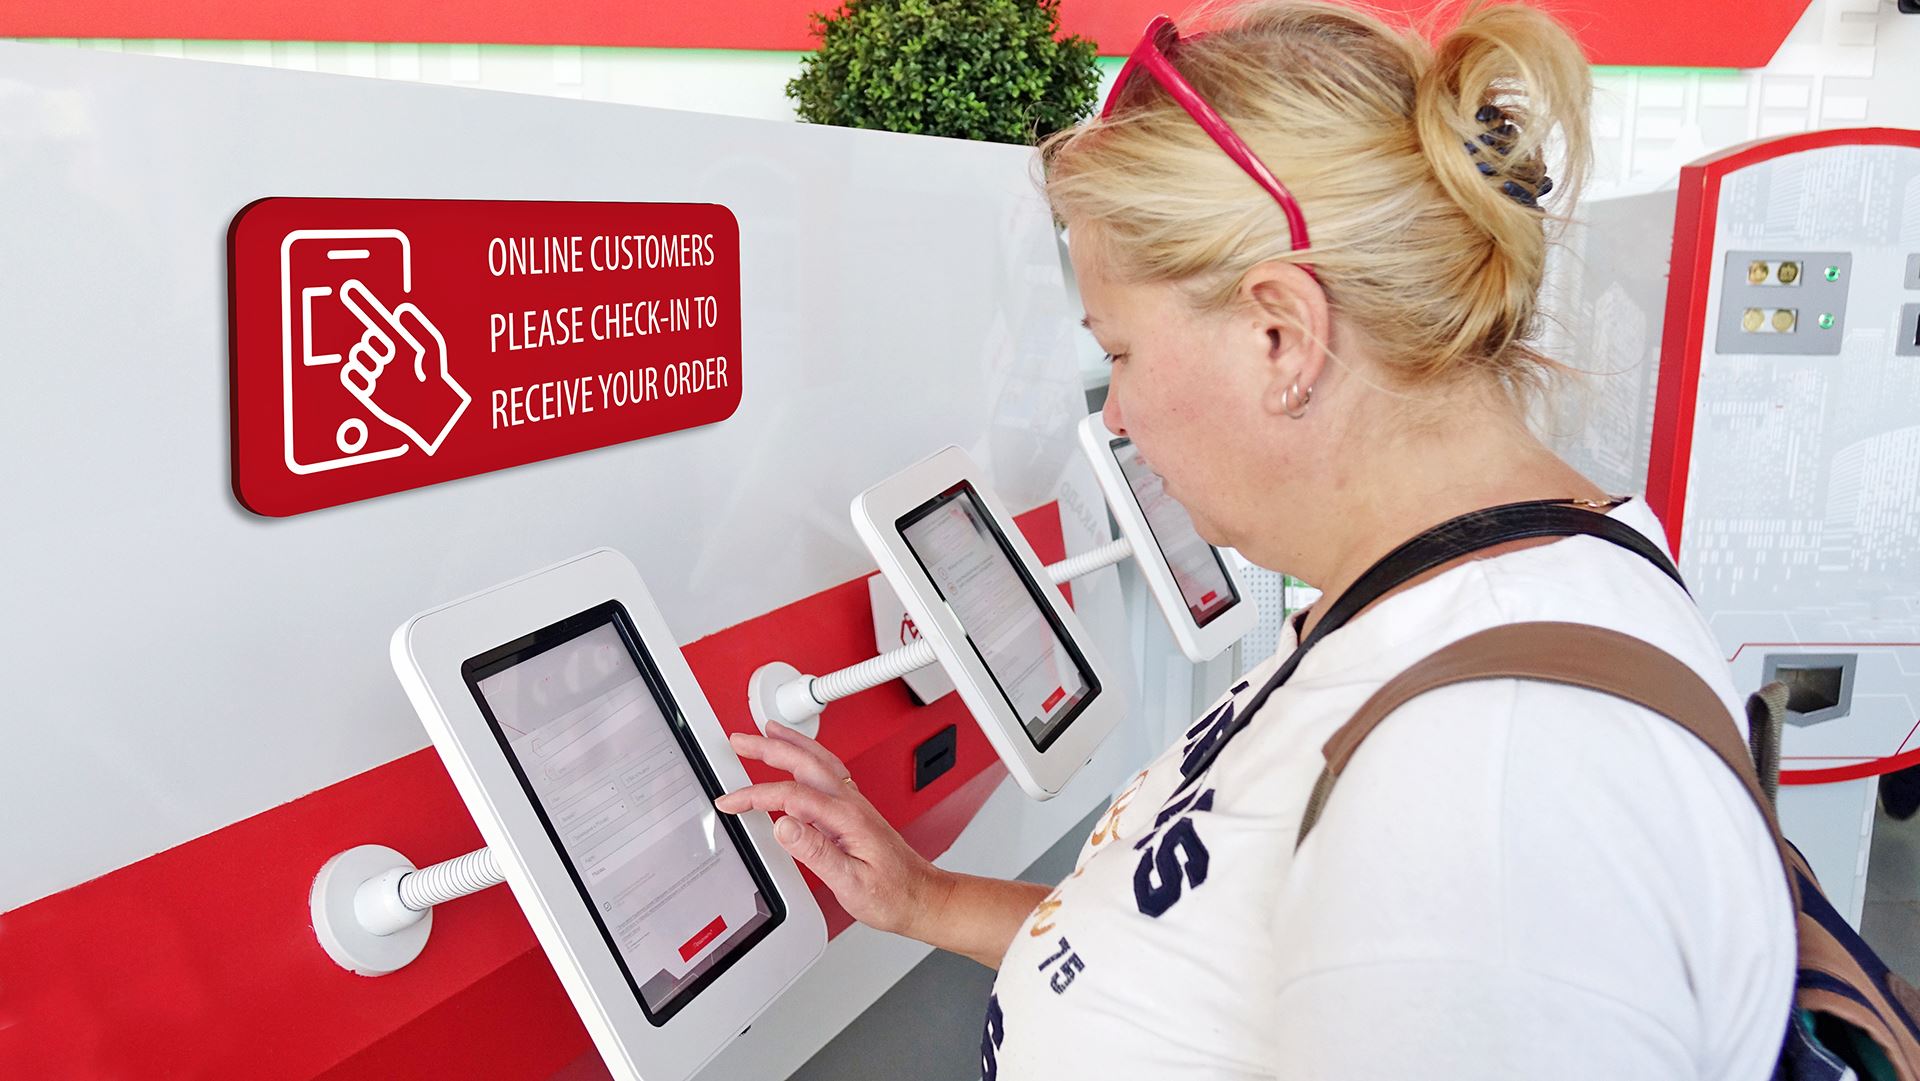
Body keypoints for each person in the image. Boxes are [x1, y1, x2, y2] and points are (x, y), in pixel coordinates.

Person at [715, 2, 1797, 1077]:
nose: (1119, 420)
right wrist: (927, 896)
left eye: (1123, 352)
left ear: (1282, 332)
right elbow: (1200, 955)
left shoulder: (1490, 787)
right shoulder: (1445, 594)